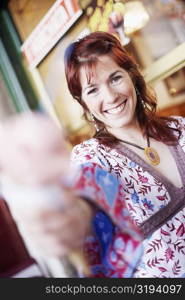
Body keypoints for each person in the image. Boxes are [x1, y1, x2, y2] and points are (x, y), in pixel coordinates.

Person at [0, 31, 185, 278]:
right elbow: (83, 204)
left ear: (132, 76)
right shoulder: (93, 157)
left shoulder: (179, 128)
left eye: (115, 78)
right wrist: (64, 220)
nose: (110, 96)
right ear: (83, 102)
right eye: (93, 90)